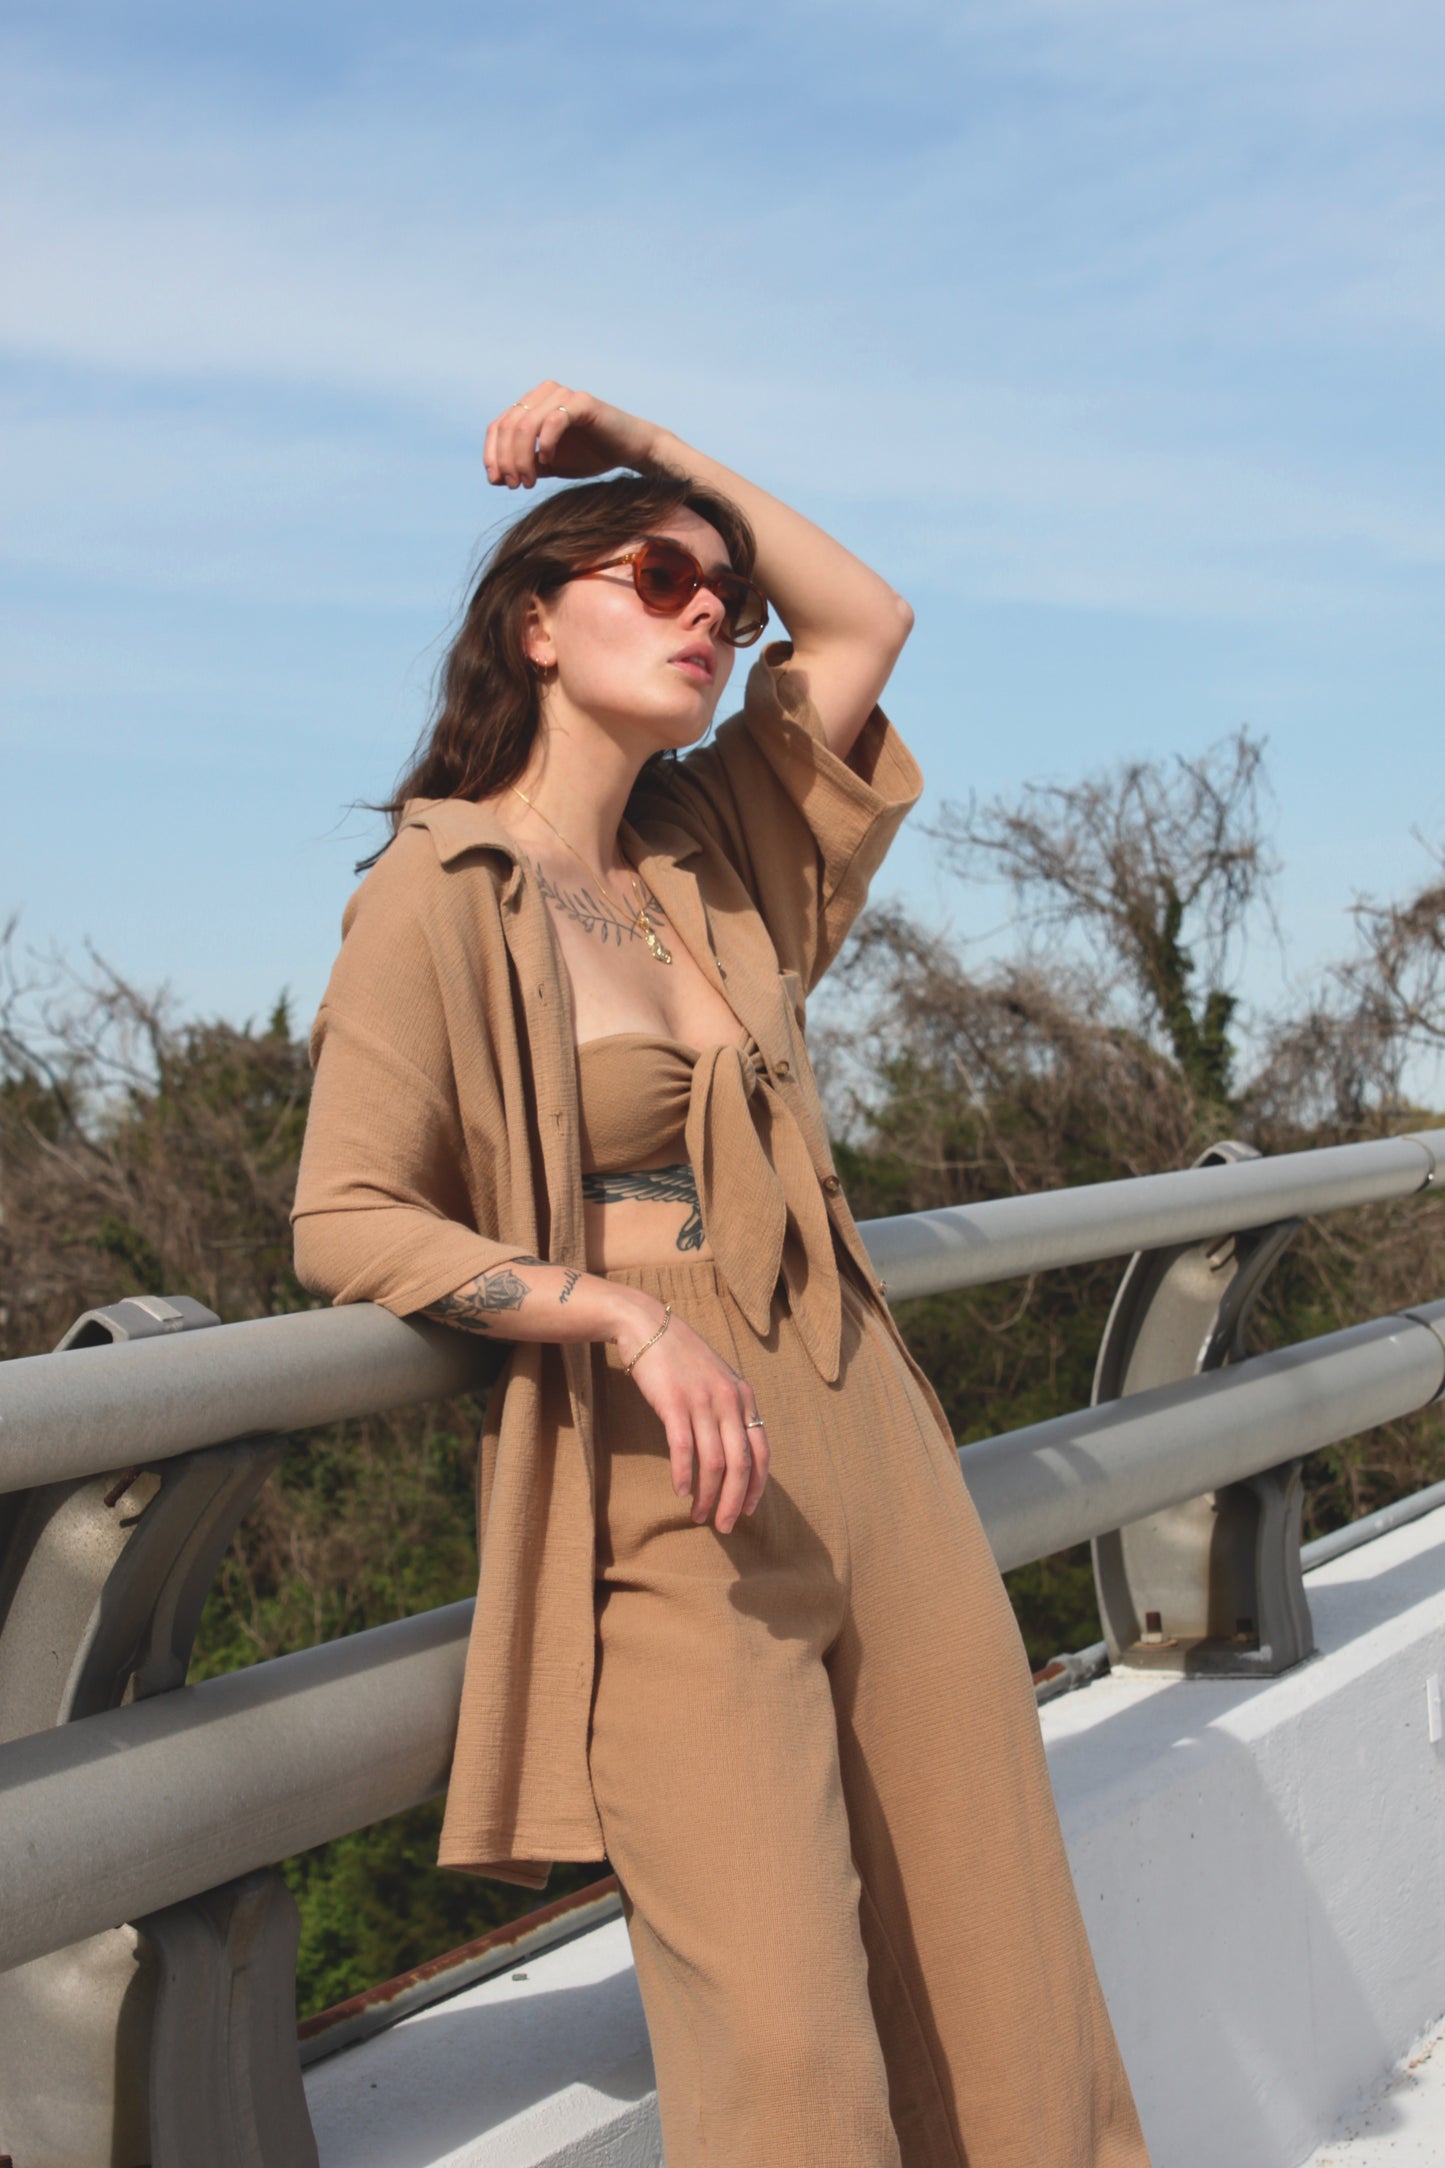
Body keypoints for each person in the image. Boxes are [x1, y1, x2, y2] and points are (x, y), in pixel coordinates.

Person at [291, 381, 1151, 2166]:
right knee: (781, 2037)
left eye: (723, 597)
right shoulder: (438, 889)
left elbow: (865, 619)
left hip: (859, 1414)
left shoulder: (709, 849)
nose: (711, 616)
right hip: (656, 1468)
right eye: (657, 580)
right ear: (534, 625)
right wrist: (613, 1315)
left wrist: (646, 447)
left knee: (993, 1963)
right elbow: (347, 1217)